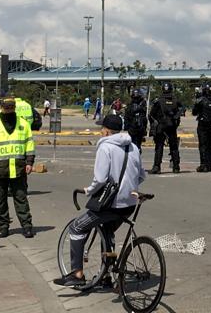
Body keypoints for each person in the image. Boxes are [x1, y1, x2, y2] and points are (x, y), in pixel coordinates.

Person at [55, 113, 145, 288]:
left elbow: (100, 179)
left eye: (101, 128)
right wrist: (127, 188)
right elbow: (141, 175)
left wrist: (89, 190)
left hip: (110, 204)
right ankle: (105, 276)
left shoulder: (106, 148)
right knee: (107, 231)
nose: (100, 131)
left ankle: (77, 274)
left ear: (106, 131)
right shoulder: (133, 147)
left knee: (77, 227)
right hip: (129, 204)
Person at [0, 97, 36, 238]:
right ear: (1, 108)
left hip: (18, 169)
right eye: (6, 107)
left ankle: (27, 226)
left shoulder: (23, 124)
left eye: (11, 107)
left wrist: (30, 162)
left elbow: (29, 146)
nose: (9, 109)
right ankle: (3, 226)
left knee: (21, 199)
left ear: (14, 107)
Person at [149, 83, 182, 174]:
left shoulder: (158, 100)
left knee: (159, 146)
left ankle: (157, 166)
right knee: (174, 146)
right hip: (171, 126)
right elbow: (181, 110)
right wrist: (175, 121)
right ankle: (176, 167)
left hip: (161, 126)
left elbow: (151, 115)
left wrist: (153, 125)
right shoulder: (175, 100)